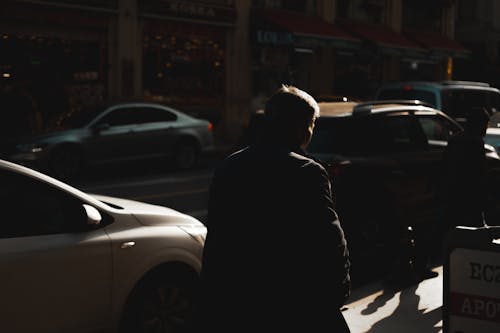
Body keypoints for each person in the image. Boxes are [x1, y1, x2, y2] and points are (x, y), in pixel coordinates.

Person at [191, 85, 351, 332]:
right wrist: (335, 294)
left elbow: (218, 240)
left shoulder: (229, 167)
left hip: (239, 303)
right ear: (302, 127)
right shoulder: (307, 171)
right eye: (311, 126)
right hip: (294, 303)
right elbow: (329, 241)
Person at [442, 106, 491, 230]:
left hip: (453, 193)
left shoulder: (455, 140)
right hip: (470, 195)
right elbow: (479, 173)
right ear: (479, 124)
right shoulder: (476, 143)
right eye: (485, 124)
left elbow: (445, 165)